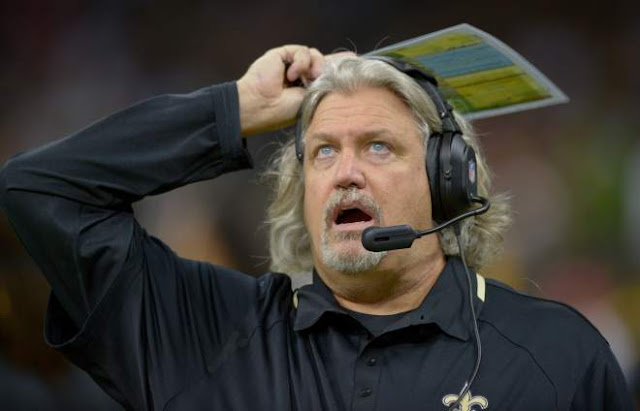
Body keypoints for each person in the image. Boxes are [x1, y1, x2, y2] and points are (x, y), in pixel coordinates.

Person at [0, 45, 634, 410]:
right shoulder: (207, 335)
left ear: (448, 181)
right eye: (324, 151)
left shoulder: (560, 355)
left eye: (379, 146)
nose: (346, 173)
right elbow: (39, 188)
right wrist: (237, 110)